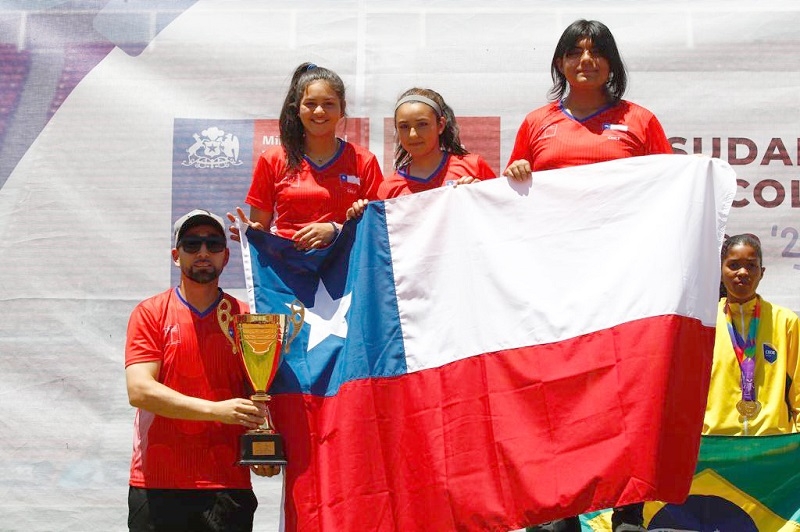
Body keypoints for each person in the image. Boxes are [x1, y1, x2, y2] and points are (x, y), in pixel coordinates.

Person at [505, 19, 674, 532]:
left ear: (611, 63)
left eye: (596, 52)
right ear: (559, 62)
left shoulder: (640, 121)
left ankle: (627, 506)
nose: (586, 60)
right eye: (575, 52)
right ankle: (560, 508)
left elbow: (670, 191)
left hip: (623, 282)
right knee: (558, 392)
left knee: (625, 392)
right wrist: (515, 173)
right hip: (554, 282)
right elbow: (509, 195)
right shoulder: (537, 123)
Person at [125, 209, 278, 532]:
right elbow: (140, 391)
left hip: (226, 484)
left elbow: (261, 393)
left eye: (213, 244)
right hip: (157, 483)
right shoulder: (150, 313)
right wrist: (216, 411)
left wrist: (265, 444)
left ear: (226, 255)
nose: (203, 253)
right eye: (192, 244)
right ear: (175, 256)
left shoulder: (249, 319)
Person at [229, 62, 383, 249]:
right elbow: (260, 228)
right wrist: (252, 233)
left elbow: (377, 230)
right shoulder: (272, 159)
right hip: (285, 269)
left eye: (328, 104)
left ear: (342, 108)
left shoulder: (364, 161)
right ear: (297, 109)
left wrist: (336, 230)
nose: (319, 111)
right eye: (310, 104)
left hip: (344, 270)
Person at [347, 87, 496, 218]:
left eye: (422, 124)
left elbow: (500, 216)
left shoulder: (473, 167)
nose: (413, 134)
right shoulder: (389, 188)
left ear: (440, 125)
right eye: (404, 126)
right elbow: (380, 240)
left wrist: (480, 195)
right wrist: (357, 218)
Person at [704, 233, 800, 436]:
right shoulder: (706, 322)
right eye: (733, 265)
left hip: (772, 445)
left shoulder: (786, 322)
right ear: (720, 272)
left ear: (762, 272)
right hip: (716, 445)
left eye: (751, 265)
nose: (742, 272)